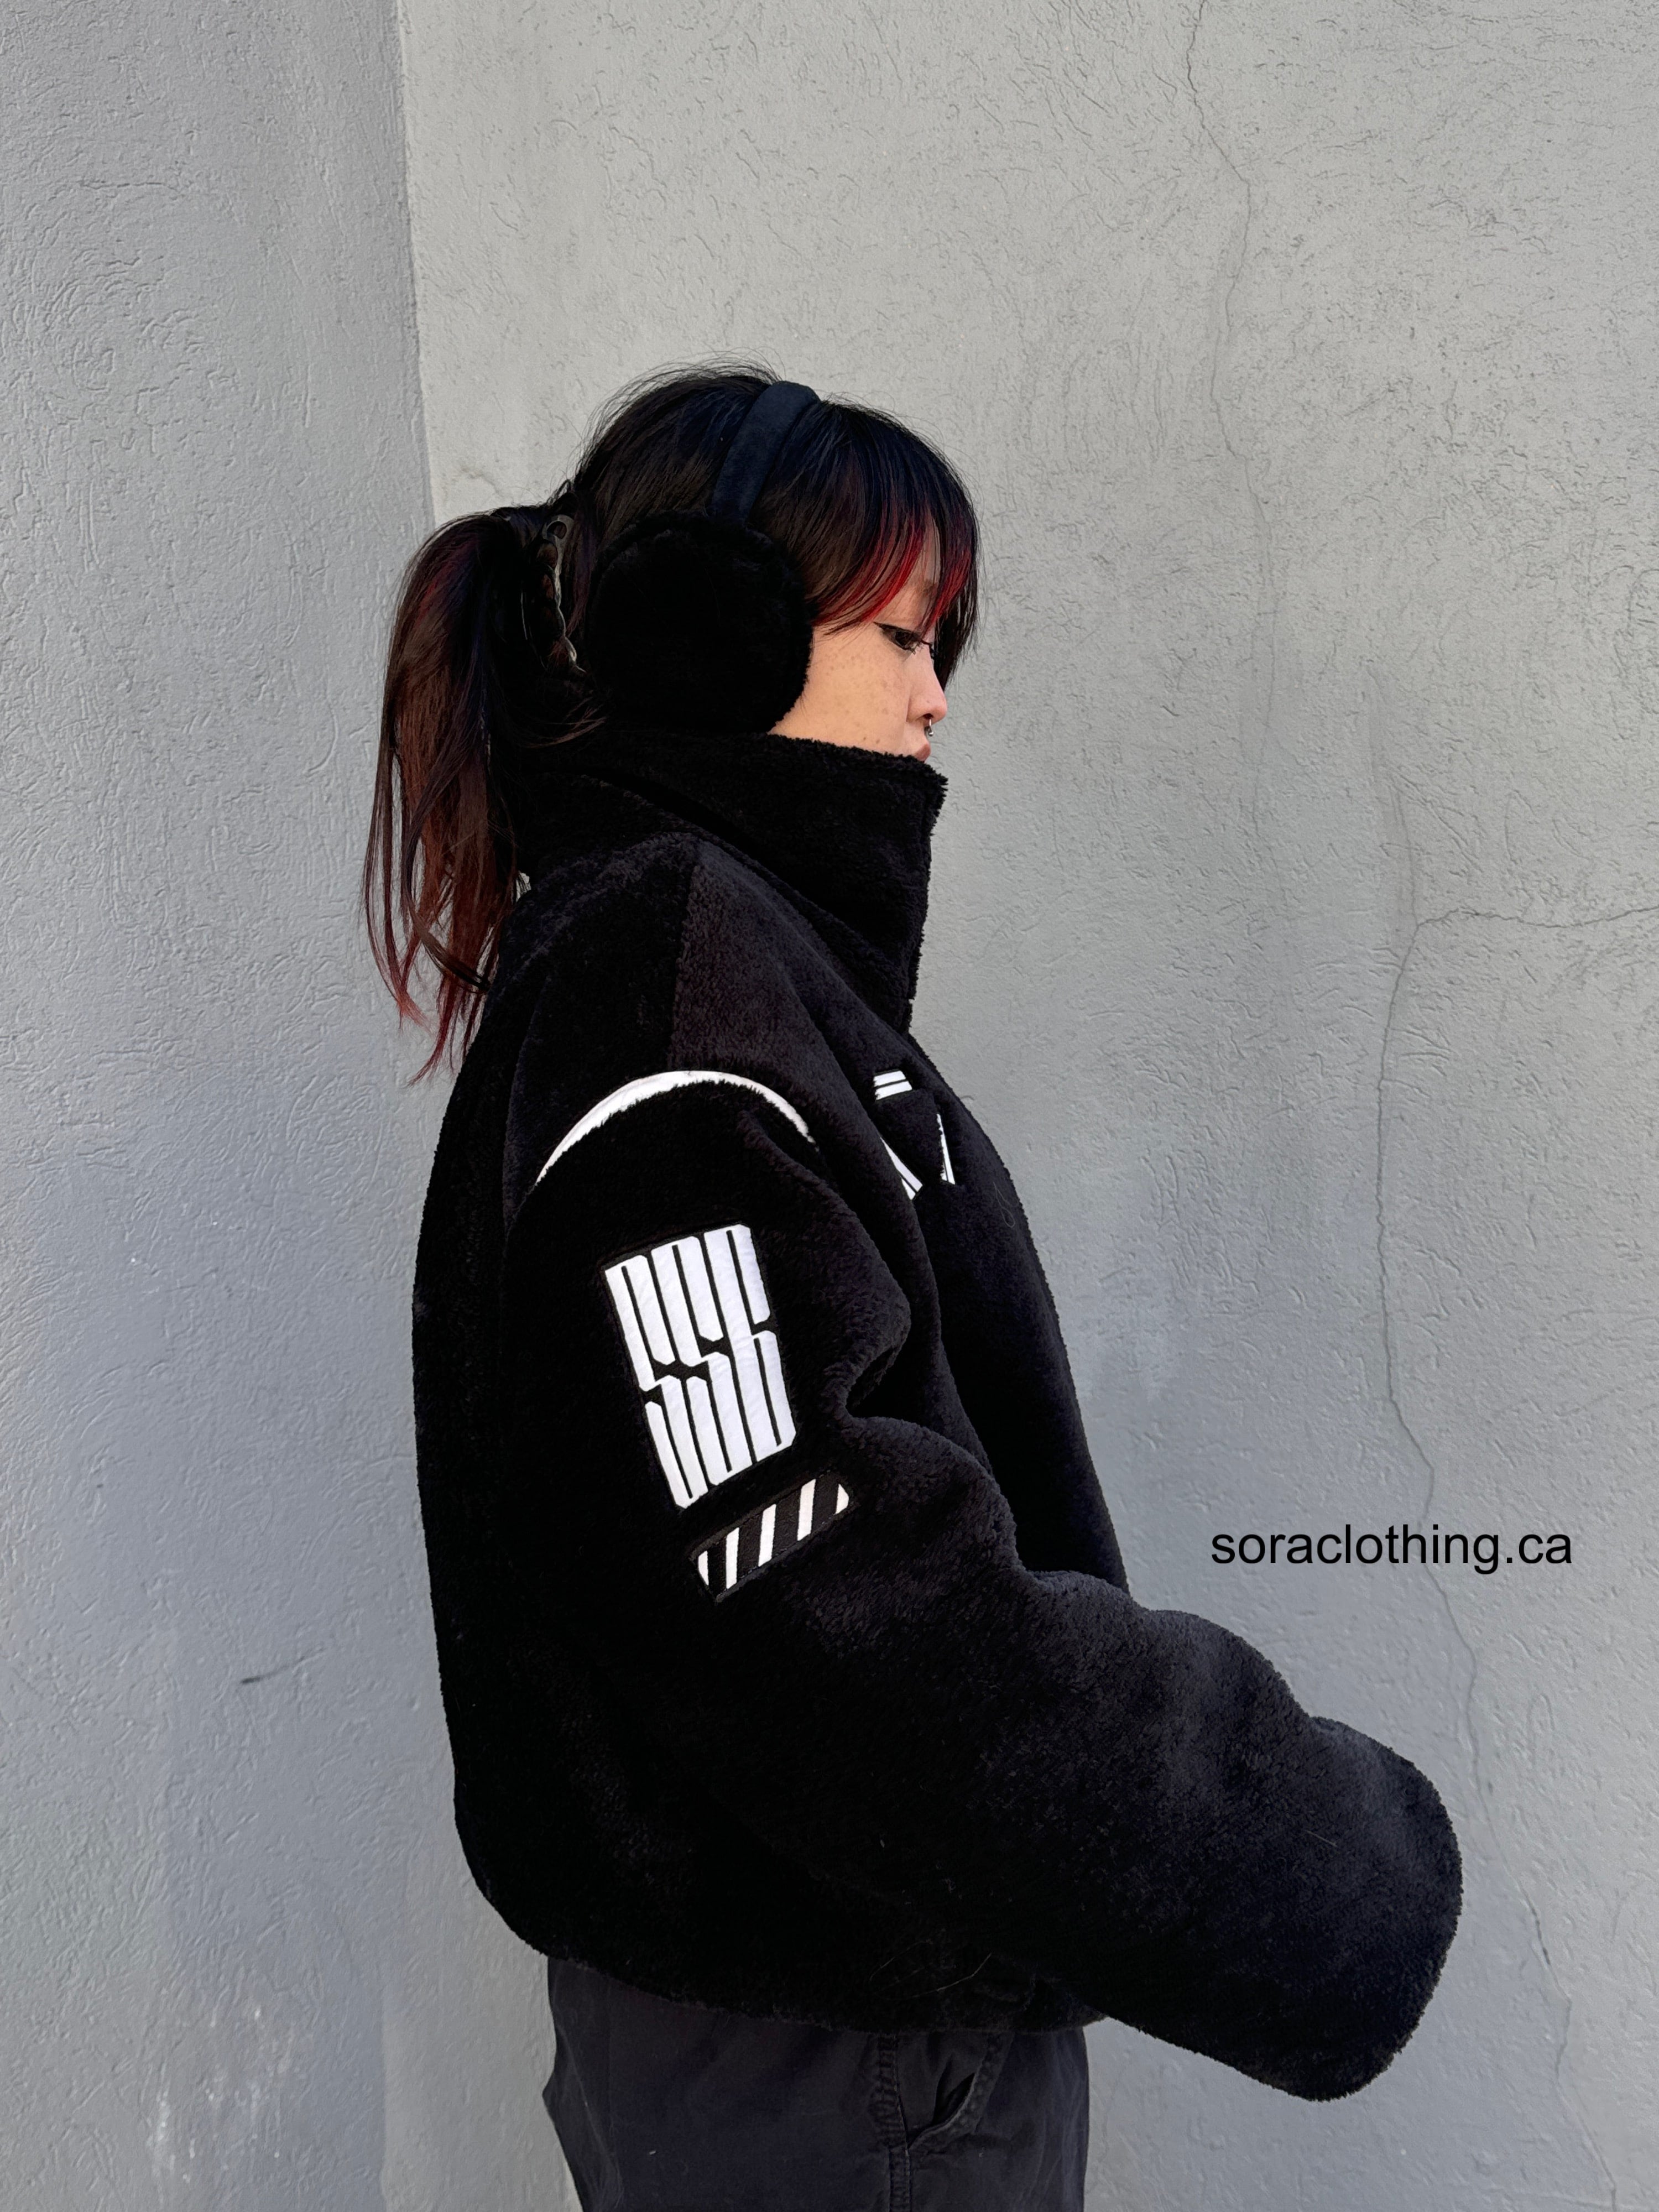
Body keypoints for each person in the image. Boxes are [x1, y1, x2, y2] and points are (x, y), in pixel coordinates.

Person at [364, 366, 1462, 2211]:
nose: (938, 693)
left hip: (838, 2035)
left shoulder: (739, 977)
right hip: (844, 2067)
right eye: (897, 636)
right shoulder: (670, 990)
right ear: (711, 642)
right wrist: (1304, 1855)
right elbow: (827, 1601)